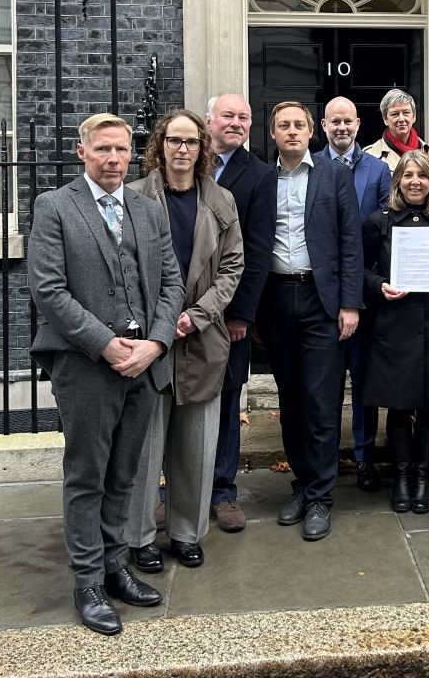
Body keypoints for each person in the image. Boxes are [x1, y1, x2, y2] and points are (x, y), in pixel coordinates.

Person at [27, 113, 183, 635]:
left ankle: (116, 566)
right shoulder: (55, 207)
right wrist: (106, 344)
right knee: (87, 475)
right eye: (103, 150)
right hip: (87, 366)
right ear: (83, 152)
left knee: (125, 474)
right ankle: (87, 581)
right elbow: (48, 291)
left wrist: (156, 343)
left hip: (143, 363)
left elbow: (171, 284)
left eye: (121, 150)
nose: (114, 159)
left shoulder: (146, 209)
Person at [125, 110, 243, 572]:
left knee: (195, 447)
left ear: (202, 148)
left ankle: (186, 533)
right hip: (150, 341)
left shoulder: (222, 201)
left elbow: (233, 268)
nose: (182, 149)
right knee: (144, 447)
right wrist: (159, 322)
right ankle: (138, 537)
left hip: (202, 338)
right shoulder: (134, 198)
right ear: (160, 144)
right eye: (174, 140)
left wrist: (196, 316)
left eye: (191, 142)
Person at [256, 100, 363, 541]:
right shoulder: (262, 180)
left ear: (310, 131)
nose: (293, 131)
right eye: (284, 125)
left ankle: (321, 496)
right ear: (274, 133)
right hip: (278, 299)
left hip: (323, 301)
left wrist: (350, 304)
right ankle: (301, 485)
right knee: (292, 402)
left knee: (322, 403)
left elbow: (350, 242)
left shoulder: (333, 174)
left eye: (299, 124)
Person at [362, 150, 429, 514]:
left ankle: (423, 477)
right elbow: (361, 269)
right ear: (398, 181)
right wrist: (379, 285)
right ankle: (402, 477)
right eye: (408, 175)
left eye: (422, 175)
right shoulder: (379, 221)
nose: (415, 181)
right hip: (394, 325)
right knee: (400, 402)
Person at [206, 94, 277, 533]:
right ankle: (174, 486)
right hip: (181, 311)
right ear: (209, 120)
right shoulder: (188, 161)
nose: (236, 123)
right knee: (180, 400)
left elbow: (258, 249)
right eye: (228, 116)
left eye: (243, 117)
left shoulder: (260, 175)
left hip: (229, 313)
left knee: (229, 398)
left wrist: (242, 316)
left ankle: (222, 490)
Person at [313, 96, 391, 492]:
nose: (341, 127)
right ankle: (322, 459)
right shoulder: (311, 166)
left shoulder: (378, 170)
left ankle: (363, 457)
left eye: (347, 121)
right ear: (322, 124)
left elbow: (383, 231)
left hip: (366, 293)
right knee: (323, 382)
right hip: (322, 294)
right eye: (334, 121)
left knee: (364, 380)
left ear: (358, 124)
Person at [364, 88, 428, 172]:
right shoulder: (369, 156)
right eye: (395, 114)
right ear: (385, 119)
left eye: (406, 113)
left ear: (414, 117)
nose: (401, 119)